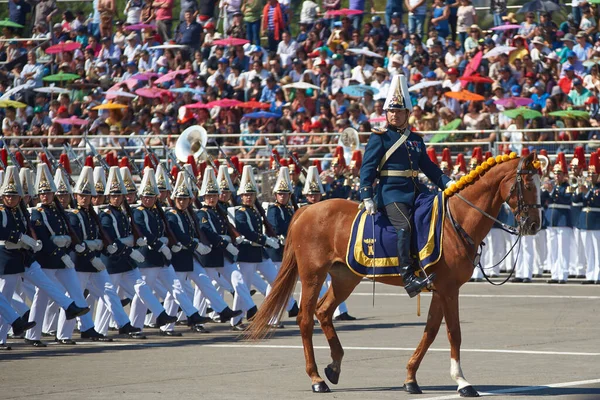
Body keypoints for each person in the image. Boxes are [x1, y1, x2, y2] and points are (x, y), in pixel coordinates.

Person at [359, 75, 453, 298]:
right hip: (390, 192)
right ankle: (408, 277)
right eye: (391, 111)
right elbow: (367, 168)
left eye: (399, 111)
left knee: (437, 219)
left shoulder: (416, 140)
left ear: (407, 114)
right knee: (404, 227)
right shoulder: (379, 138)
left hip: (416, 190)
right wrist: (367, 195)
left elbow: (428, 168)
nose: (394, 114)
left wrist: (448, 183)